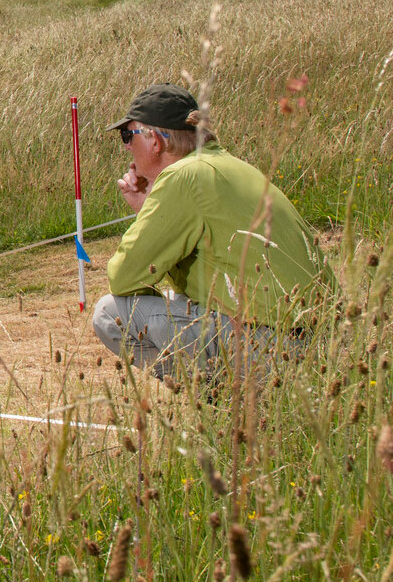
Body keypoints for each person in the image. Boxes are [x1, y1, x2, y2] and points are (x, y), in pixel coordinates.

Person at [91, 84, 333, 381]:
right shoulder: (228, 166)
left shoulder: (183, 176)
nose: (126, 146)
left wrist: (150, 211)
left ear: (155, 141)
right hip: (320, 343)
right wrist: (150, 208)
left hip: (272, 348)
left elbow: (124, 276)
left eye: (128, 135)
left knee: (109, 314)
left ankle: (218, 402)